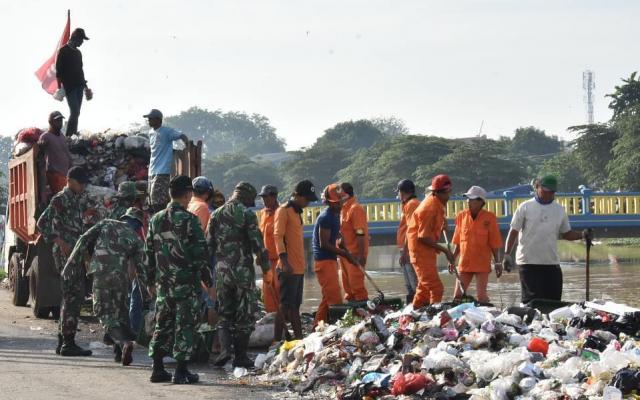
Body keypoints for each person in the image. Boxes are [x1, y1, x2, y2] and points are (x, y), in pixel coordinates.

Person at [145, 176, 212, 384]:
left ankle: (157, 369)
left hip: (163, 284)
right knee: (185, 326)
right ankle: (181, 372)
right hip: (186, 285)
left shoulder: (155, 220)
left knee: (162, 324)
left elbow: (148, 252)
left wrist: (149, 281)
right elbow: (200, 253)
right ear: (187, 194)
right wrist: (207, 277)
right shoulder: (190, 220)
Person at [64, 207, 146, 366]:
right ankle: (118, 353)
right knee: (120, 313)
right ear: (137, 225)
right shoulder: (136, 238)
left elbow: (83, 239)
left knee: (103, 313)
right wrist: (148, 291)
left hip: (101, 273)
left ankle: (123, 343)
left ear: (124, 217)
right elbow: (142, 268)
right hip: (121, 277)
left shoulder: (106, 223)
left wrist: (71, 264)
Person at [208, 182, 269, 368]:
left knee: (225, 313)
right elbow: (257, 243)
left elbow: (208, 244)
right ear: (246, 197)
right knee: (244, 314)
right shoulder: (247, 214)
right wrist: (265, 267)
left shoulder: (215, 214)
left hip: (221, 271)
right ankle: (241, 356)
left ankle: (226, 350)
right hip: (242, 271)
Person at [503, 176, 591, 304]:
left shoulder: (559, 210)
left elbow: (567, 234)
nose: (549, 194)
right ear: (537, 187)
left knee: (554, 302)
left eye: (552, 192)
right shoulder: (525, 207)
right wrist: (506, 254)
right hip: (528, 262)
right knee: (532, 302)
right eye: (546, 191)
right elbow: (513, 231)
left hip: (551, 262)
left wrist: (582, 235)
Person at [37, 166, 94, 356]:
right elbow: (42, 223)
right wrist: (60, 242)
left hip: (74, 253)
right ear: (70, 181)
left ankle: (63, 341)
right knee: (72, 295)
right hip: (65, 254)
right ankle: (68, 343)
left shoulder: (77, 199)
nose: (83, 187)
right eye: (81, 183)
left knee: (72, 296)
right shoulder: (60, 199)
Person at [273, 180, 317, 340]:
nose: (307, 203)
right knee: (284, 306)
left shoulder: (297, 212)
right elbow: (278, 236)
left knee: (295, 307)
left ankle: (299, 340)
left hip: (298, 268)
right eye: (306, 199)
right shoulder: (283, 211)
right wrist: (284, 262)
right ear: (297, 196)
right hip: (288, 267)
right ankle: (276, 341)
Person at [407, 174, 456, 308]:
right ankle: (435, 318)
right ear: (438, 192)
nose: (449, 196)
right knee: (436, 288)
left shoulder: (437, 202)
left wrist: (443, 223)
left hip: (426, 251)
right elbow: (423, 237)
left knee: (423, 288)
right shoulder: (429, 208)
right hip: (420, 251)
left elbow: (435, 223)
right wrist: (445, 250)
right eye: (448, 193)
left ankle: (415, 313)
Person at [450, 186, 503, 303]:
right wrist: (452, 259)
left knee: (482, 297)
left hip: (482, 264)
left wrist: (498, 263)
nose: (468, 201)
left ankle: (484, 317)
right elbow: (458, 242)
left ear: (481, 202)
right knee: (457, 296)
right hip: (464, 264)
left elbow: (494, 243)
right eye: (467, 198)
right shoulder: (461, 216)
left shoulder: (490, 218)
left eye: (472, 199)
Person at [313, 184, 355, 326]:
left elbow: (335, 234)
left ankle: (317, 327)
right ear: (330, 203)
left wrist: (341, 241)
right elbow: (324, 244)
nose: (340, 205)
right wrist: (344, 254)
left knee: (328, 298)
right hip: (323, 262)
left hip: (330, 261)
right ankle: (325, 327)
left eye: (341, 201)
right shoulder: (326, 217)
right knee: (335, 299)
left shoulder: (336, 214)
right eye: (337, 203)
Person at [144, 109, 188, 213]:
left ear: (158, 120)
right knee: (151, 199)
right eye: (148, 119)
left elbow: (182, 136)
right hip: (152, 171)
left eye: (151, 119)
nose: (149, 121)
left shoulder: (167, 131)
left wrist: (186, 148)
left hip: (162, 171)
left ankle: (164, 220)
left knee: (159, 200)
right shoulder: (150, 133)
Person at [55, 28, 92, 137]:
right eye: (81, 39)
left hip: (79, 86)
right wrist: (59, 87)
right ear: (76, 38)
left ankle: (73, 133)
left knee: (77, 112)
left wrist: (86, 87)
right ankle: (69, 136)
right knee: (74, 111)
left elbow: (81, 71)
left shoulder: (78, 53)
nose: (82, 42)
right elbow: (59, 71)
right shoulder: (63, 51)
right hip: (69, 87)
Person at [338, 182, 369, 302]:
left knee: (357, 287)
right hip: (344, 254)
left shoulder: (355, 209)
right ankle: (353, 312)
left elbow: (360, 233)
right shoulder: (343, 209)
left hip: (355, 255)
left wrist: (361, 255)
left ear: (345, 195)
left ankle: (363, 311)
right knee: (348, 288)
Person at [395, 179, 420, 305]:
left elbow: (411, 229)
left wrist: (405, 251)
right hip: (405, 247)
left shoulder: (412, 204)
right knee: (408, 282)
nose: (398, 195)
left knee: (413, 280)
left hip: (409, 248)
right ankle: (412, 304)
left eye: (399, 192)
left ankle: (419, 303)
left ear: (403, 192)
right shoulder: (407, 204)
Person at [258, 185, 281, 314]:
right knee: (268, 293)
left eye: (266, 197)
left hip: (279, 260)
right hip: (266, 261)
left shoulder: (281, 212)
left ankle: (283, 320)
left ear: (274, 197)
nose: (264, 200)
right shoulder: (262, 213)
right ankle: (272, 319)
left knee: (279, 290)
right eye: (263, 197)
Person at [37, 111, 72, 195]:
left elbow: (66, 152)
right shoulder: (45, 136)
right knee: (63, 198)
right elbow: (40, 156)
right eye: (57, 121)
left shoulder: (62, 136)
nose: (60, 123)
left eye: (61, 120)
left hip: (65, 174)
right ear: (50, 122)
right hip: (55, 174)